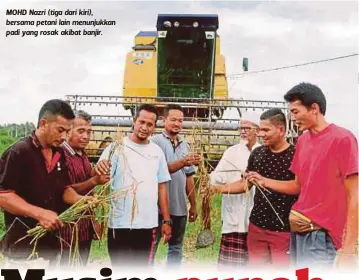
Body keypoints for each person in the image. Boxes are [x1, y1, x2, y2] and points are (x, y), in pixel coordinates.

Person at [0, 99, 90, 265]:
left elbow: (63, 189)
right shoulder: (19, 152)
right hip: (22, 245)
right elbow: (4, 196)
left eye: (67, 131)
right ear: (43, 124)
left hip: (51, 245)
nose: (64, 137)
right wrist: (39, 214)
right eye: (60, 130)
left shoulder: (59, 154)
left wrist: (80, 200)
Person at [277, 82, 358, 268]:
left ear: (314, 108)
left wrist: (348, 251)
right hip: (298, 234)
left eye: (296, 112)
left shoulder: (343, 139)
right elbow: (298, 186)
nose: (292, 118)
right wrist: (262, 180)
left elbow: (354, 195)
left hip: (320, 238)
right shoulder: (303, 141)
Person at [210, 108, 298, 267]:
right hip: (257, 225)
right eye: (259, 129)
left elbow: (297, 187)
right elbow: (246, 184)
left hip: (283, 228)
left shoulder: (295, 155)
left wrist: (264, 181)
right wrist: (218, 189)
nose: (261, 134)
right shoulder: (257, 153)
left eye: (265, 130)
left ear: (281, 130)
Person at [95, 104, 172, 268]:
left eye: (149, 124)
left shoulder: (157, 152)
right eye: (141, 122)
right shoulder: (116, 147)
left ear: (154, 126)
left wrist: (166, 220)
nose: (144, 127)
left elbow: (162, 187)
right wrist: (100, 168)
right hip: (119, 224)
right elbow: (101, 180)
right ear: (134, 121)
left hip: (147, 224)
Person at [151, 104, 201, 267]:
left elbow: (189, 177)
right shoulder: (154, 143)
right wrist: (184, 161)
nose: (177, 124)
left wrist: (193, 205)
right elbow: (160, 170)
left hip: (180, 208)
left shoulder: (185, 145)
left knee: (176, 249)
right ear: (163, 120)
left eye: (180, 120)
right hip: (157, 208)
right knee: (151, 249)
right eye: (173, 120)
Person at [209, 110, 261, 269]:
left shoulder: (263, 152)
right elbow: (217, 176)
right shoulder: (232, 152)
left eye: (248, 128)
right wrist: (209, 181)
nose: (243, 131)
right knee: (230, 267)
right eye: (241, 128)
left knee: (254, 264)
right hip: (233, 212)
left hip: (255, 214)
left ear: (257, 130)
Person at [59, 110, 110, 267]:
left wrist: (98, 171)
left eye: (89, 132)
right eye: (81, 131)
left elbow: (87, 181)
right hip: (66, 230)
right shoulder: (60, 155)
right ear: (68, 131)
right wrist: (94, 180)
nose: (86, 136)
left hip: (83, 228)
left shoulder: (82, 155)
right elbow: (64, 190)